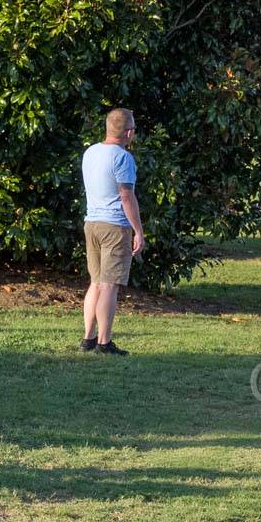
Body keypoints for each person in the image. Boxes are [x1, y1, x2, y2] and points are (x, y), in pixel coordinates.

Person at [81, 107, 144, 356]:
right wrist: (138, 230)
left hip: (91, 223)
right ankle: (104, 343)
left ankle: (88, 338)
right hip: (114, 226)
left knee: (95, 283)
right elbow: (126, 196)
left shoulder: (91, 152)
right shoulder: (123, 158)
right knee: (109, 286)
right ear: (128, 132)